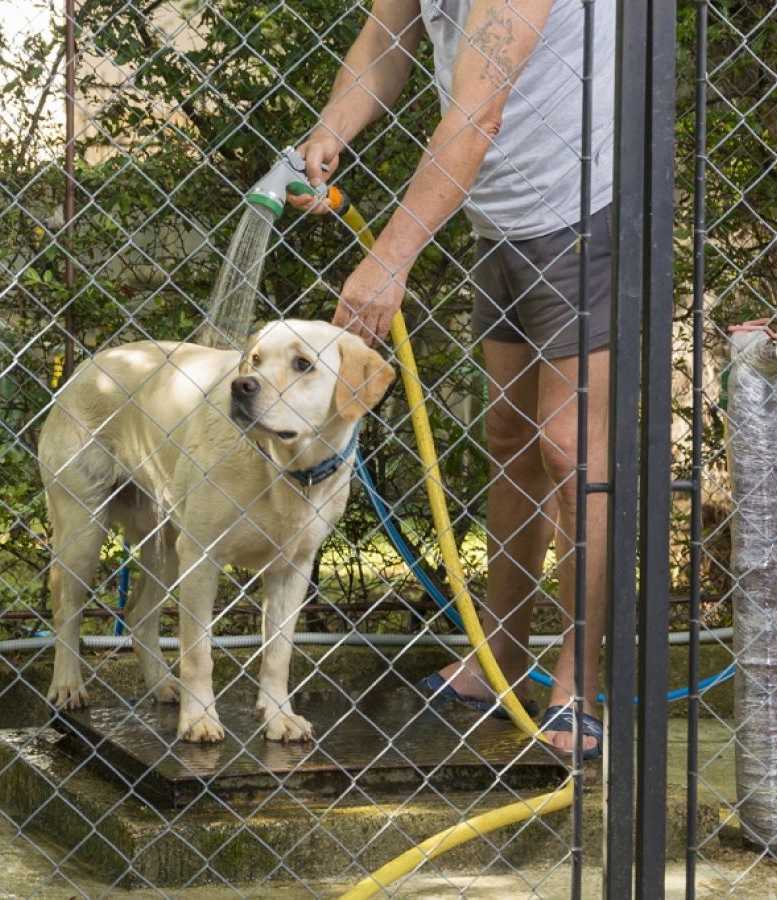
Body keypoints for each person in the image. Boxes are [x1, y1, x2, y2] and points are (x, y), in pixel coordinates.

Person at [290, 0, 614, 758]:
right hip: (499, 217)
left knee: (569, 446)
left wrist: (388, 261)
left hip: (582, 205)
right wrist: (329, 132)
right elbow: (386, 37)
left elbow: (475, 117)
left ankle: (576, 685)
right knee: (509, 432)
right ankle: (499, 657)